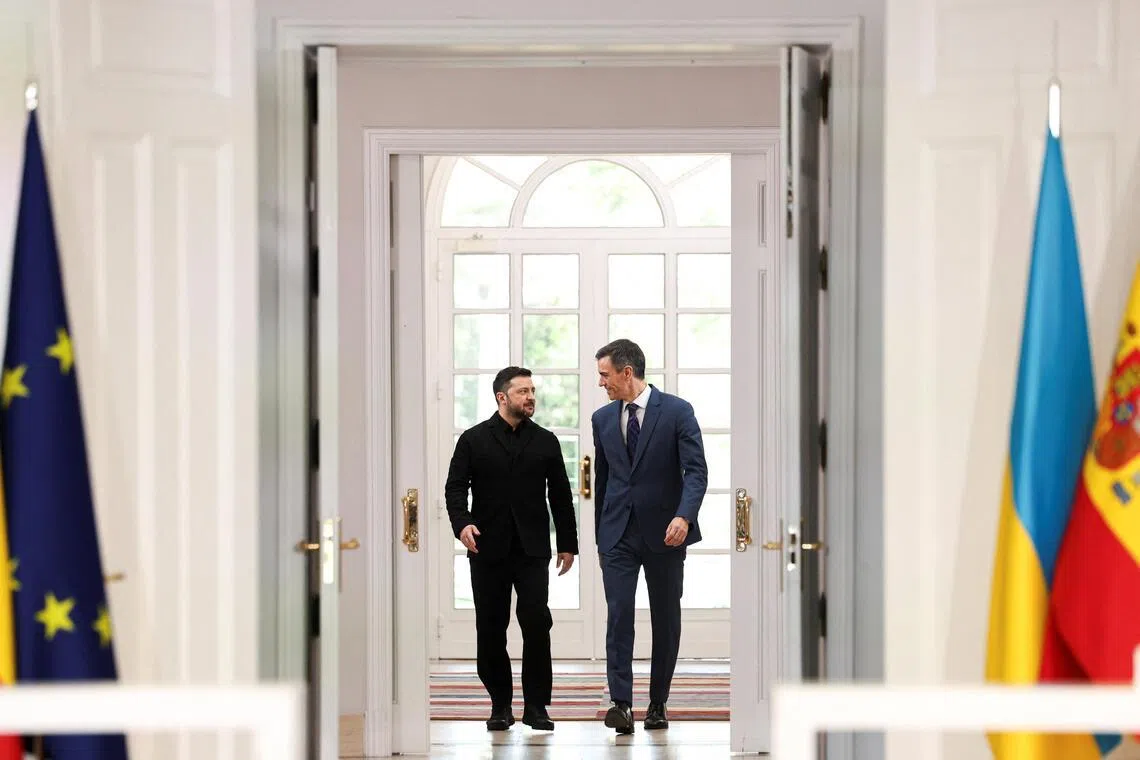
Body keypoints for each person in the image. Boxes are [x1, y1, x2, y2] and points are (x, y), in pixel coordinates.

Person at [444, 366, 579, 732]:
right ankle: (500, 704)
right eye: (523, 391)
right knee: (491, 627)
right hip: (486, 547)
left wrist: (567, 544)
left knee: (536, 623)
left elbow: (561, 496)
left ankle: (536, 707)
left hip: (532, 549)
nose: (530, 397)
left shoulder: (546, 441)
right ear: (502, 397)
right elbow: (455, 488)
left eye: (532, 390)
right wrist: (462, 524)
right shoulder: (473, 439)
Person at [591, 339, 708, 734]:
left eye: (605, 375)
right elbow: (603, 480)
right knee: (619, 615)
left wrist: (684, 517)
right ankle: (621, 704)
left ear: (627, 372)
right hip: (618, 535)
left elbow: (696, 471)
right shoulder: (602, 419)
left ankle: (658, 702)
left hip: (666, 534)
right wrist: (601, 537)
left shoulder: (677, 411)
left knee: (665, 617)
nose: (601, 383)